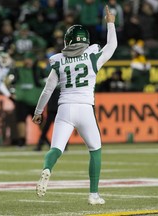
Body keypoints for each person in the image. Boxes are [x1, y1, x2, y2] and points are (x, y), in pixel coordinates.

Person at [32, 5, 117, 205]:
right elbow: (111, 46)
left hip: (64, 108)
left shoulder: (58, 61)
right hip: (85, 108)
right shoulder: (92, 56)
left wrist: (38, 112)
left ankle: (47, 169)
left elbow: (47, 90)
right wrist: (110, 24)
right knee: (95, 150)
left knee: (56, 148)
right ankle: (93, 194)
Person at [11, 52, 45, 147]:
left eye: (30, 59)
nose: (28, 61)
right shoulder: (18, 70)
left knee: (41, 121)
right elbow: (10, 81)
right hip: (22, 99)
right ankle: (22, 140)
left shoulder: (39, 70)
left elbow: (48, 80)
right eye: (26, 59)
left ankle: (44, 138)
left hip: (36, 100)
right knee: (20, 120)